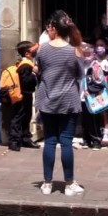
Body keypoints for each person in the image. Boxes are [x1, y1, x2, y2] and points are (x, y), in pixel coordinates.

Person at [35, 12, 85, 196]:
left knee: (49, 141)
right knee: (66, 142)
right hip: (68, 101)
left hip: (47, 99)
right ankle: (69, 183)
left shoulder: (43, 49)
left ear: (54, 29)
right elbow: (80, 75)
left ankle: (47, 183)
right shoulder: (73, 51)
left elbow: (38, 69)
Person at [8, 41, 40, 152]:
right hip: (22, 96)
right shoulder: (25, 66)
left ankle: (25, 138)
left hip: (26, 95)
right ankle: (14, 141)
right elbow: (26, 81)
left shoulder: (27, 63)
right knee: (18, 117)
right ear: (27, 53)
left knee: (26, 117)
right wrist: (35, 73)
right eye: (34, 51)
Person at [76, 42, 103, 150]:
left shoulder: (96, 65)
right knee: (85, 119)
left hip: (92, 96)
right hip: (82, 96)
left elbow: (100, 81)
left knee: (94, 119)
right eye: (84, 53)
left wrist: (91, 91)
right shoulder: (80, 64)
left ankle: (96, 140)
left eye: (88, 53)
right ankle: (86, 139)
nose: (86, 55)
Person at [93, 37, 108, 146]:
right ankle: (99, 133)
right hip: (94, 89)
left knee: (105, 112)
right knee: (97, 111)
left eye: (101, 45)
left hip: (106, 89)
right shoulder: (93, 59)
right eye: (97, 45)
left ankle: (106, 133)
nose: (99, 47)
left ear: (106, 46)